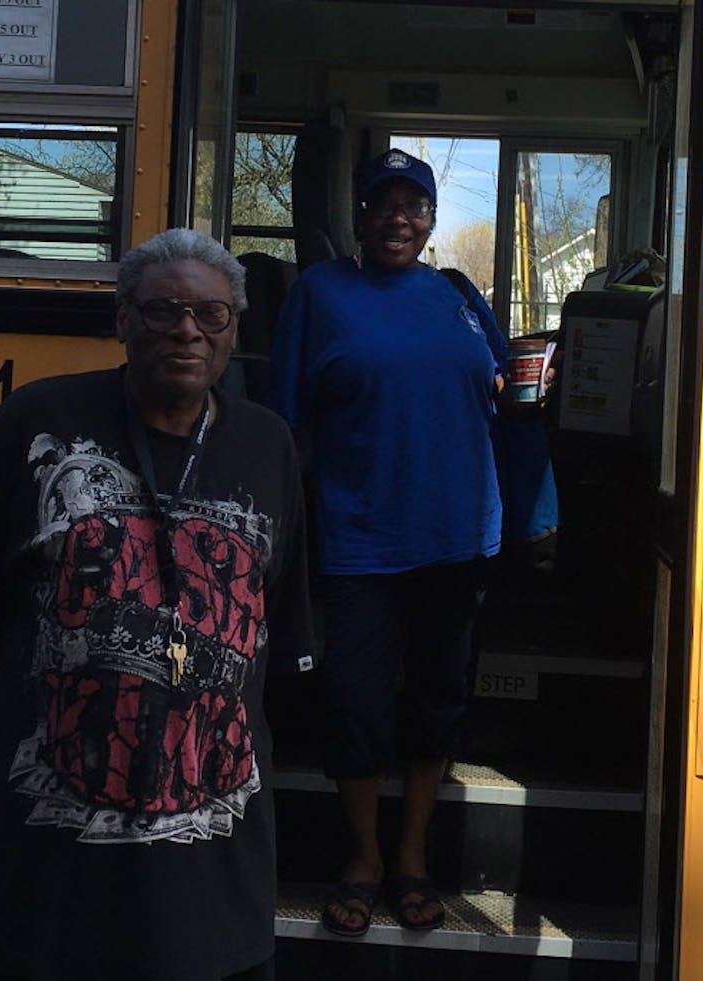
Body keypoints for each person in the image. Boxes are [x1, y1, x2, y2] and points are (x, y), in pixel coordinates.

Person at [0, 228, 315, 981]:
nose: (187, 330)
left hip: (210, 883)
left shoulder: (268, 446)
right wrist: (20, 718)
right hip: (44, 882)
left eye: (212, 313)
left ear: (234, 329)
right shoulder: (33, 424)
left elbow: (275, 634)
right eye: (163, 309)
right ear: (123, 320)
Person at [269, 148, 506, 936]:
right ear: (361, 217)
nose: (398, 217)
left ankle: (413, 854)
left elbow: (506, 382)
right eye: (382, 203)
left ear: (431, 219)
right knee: (358, 702)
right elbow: (284, 421)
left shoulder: (458, 294)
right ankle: (364, 856)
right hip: (362, 539)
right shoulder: (321, 293)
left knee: (439, 700)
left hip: (458, 535)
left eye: (414, 204)